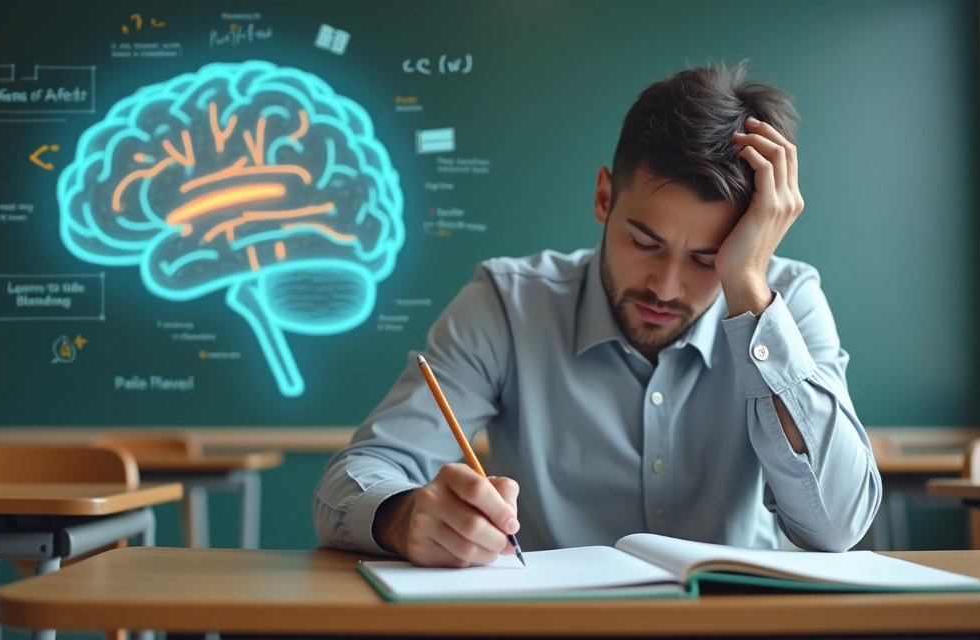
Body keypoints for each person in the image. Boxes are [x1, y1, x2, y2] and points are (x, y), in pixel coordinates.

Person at [313, 61, 882, 567]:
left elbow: (836, 527)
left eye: (708, 259)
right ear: (604, 198)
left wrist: (750, 290)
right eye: (644, 241)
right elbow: (352, 479)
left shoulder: (786, 301)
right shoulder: (507, 305)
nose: (665, 286)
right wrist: (403, 515)